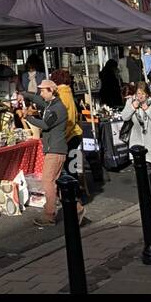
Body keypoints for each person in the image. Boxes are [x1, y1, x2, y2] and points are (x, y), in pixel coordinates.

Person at [23, 79, 84, 227]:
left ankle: (49, 214)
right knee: (56, 182)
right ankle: (77, 208)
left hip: (55, 150)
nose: (41, 93)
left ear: (51, 90)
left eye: (43, 90)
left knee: (47, 181)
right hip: (54, 149)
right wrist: (23, 94)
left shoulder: (58, 108)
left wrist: (29, 117)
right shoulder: (51, 104)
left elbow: (45, 124)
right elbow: (39, 99)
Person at [119, 82, 151, 204]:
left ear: (147, 95)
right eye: (138, 93)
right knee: (141, 171)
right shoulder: (130, 103)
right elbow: (124, 117)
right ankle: (144, 195)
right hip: (137, 142)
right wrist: (132, 107)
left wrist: (148, 109)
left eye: (143, 94)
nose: (140, 96)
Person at [51, 69, 86, 202]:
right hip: (74, 134)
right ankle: (76, 195)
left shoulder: (62, 94)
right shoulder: (67, 91)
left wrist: (61, 137)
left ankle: (74, 197)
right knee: (72, 168)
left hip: (69, 136)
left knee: (69, 169)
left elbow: (69, 118)